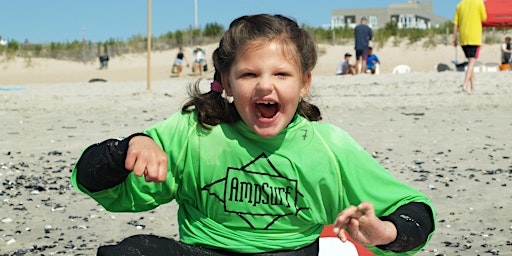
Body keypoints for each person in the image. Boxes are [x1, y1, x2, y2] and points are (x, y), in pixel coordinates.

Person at [72, 14, 435, 255]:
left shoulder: (328, 147)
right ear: (227, 82)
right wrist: (127, 149)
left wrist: (387, 233)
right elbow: (98, 185)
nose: (265, 86)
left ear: (304, 83)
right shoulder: (193, 132)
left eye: (281, 74)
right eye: (248, 75)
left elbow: (417, 211)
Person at [452, 0, 487, 93]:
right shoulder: (479, 3)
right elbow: (484, 17)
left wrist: (454, 38)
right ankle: (465, 84)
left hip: (463, 37)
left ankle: (473, 87)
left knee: (470, 61)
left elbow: (456, 24)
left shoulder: (460, 5)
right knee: (472, 61)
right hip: (474, 36)